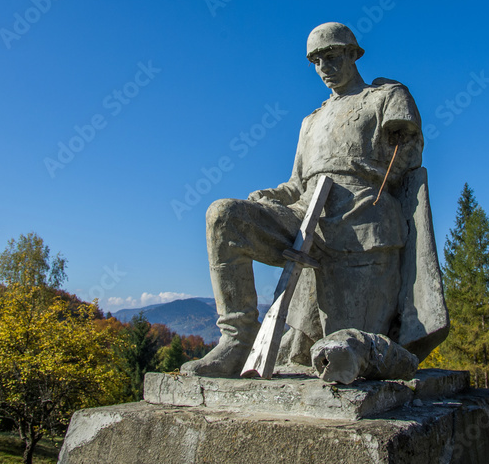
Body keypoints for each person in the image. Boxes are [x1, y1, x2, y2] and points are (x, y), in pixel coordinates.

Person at [181, 22, 447, 380]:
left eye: (332, 56)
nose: (324, 67)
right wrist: (270, 196)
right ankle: (237, 340)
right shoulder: (311, 120)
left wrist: (389, 141)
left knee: (347, 352)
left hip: (363, 226)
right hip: (307, 213)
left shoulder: (383, 98)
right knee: (224, 216)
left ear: (353, 54)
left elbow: (407, 159)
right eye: (316, 61)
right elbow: (296, 183)